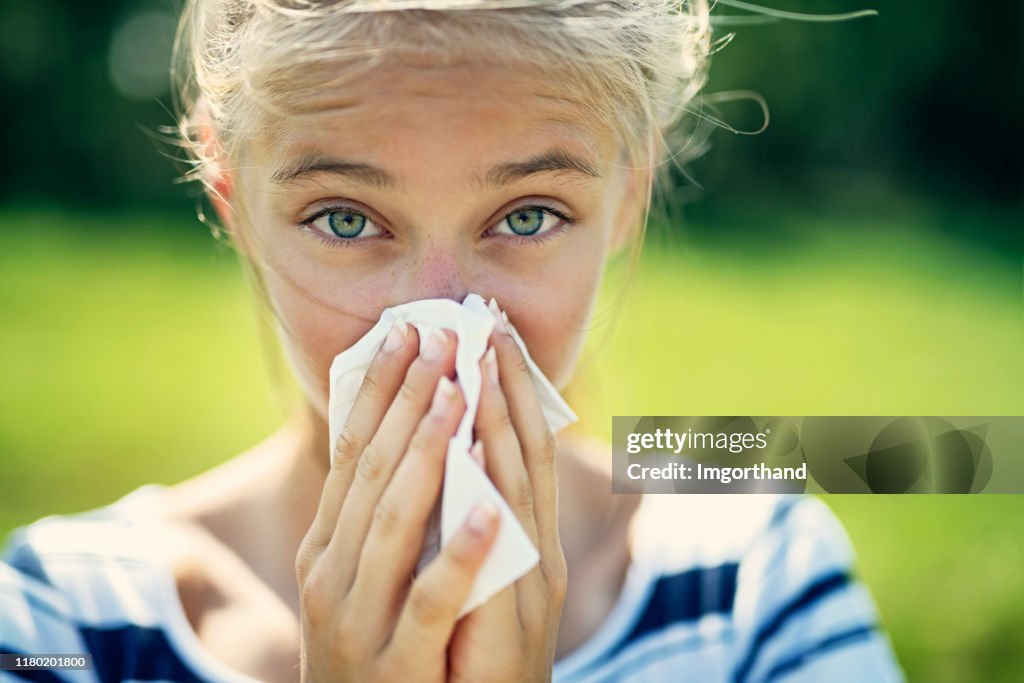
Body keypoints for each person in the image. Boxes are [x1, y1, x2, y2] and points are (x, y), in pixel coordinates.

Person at [0, 1, 905, 681]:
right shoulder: (61, 625)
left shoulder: (757, 586)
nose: (443, 327)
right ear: (235, 199)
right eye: (347, 218)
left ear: (628, 195)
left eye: (528, 214)